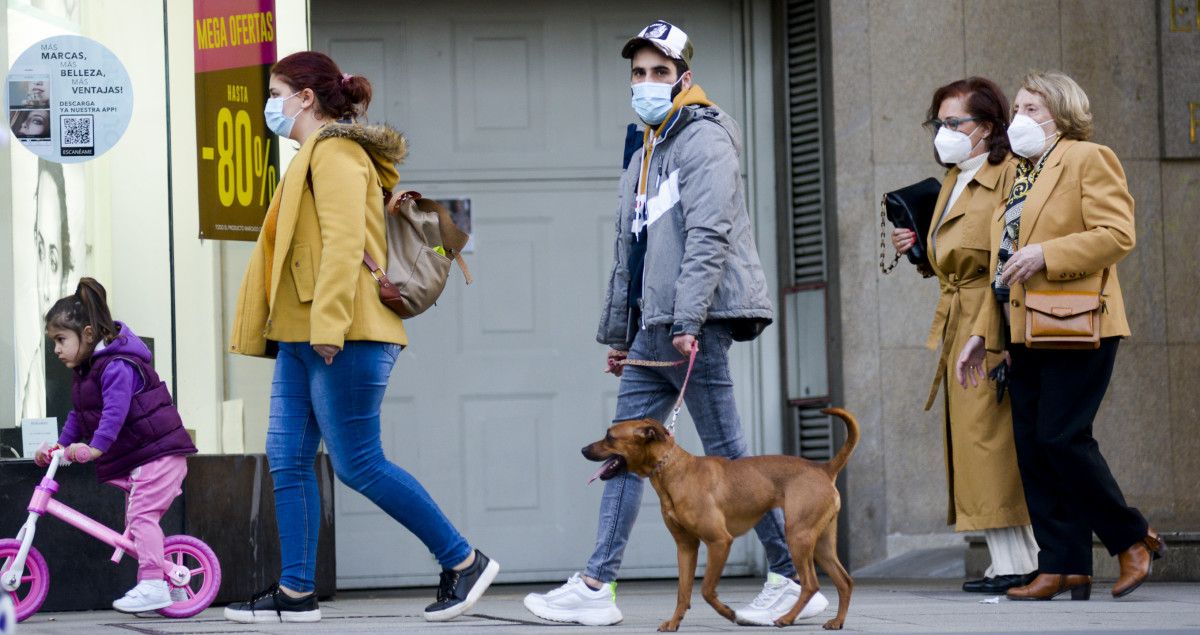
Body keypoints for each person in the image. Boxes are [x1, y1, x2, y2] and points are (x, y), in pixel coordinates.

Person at [522, 20, 827, 627]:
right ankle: (596, 582)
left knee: (731, 456)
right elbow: (634, 246)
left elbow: (709, 236)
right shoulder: (645, 143)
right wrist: (625, 332)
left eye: (659, 72)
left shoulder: (705, 137)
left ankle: (795, 579)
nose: (646, 82)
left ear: (684, 77)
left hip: (694, 323)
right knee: (621, 455)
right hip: (651, 329)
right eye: (638, 73)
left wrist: (687, 320)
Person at [225, 51, 498, 624]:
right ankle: (296, 591)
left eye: (275, 92)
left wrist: (327, 327)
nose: (269, 104)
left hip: (343, 333)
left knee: (357, 463)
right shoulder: (308, 158)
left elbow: (346, 246)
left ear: (305, 97)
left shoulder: (338, 153)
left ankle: (463, 560)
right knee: (288, 458)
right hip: (304, 336)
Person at [957, 71, 1163, 601]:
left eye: (1030, 108)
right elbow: (1003, 261)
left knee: (1061, 438)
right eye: (1018, 108)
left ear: (1060, 113)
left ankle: (1131, 537)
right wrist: (987, 334)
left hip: (1079, 323)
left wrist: (1048, 253)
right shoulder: (1023, 173)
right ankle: (1063, 563)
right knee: (1033, 448)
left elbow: (1117, 234)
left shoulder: (1088, 158)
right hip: (1024, 327)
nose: (1018, 118)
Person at [891, 77, 1038, 594]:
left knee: (990, 439)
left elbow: (1002, 256)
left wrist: (990, 331)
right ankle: (1005, 560)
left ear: (989, 126)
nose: (944, 132)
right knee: (975, 442)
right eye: (939, 123)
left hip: (992, 317)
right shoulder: (955, 176)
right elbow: (953, 259)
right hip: (961, 316)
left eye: (955, 123)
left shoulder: (1009, 174)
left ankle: (1025, 558)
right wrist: (920, 251)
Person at [34, 278, 198, 613]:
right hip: (144, 454)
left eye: (61, 339)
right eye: (54, 341)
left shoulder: (117, 366)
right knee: (139, 520)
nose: (56, 349)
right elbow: (79, 415)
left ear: (89, 334)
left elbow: (114, 413)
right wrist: (59, 447)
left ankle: (152, 583)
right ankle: (171, 584)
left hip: (159, 451)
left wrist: (95, 448)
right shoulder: (87, 371)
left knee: (141, 516)